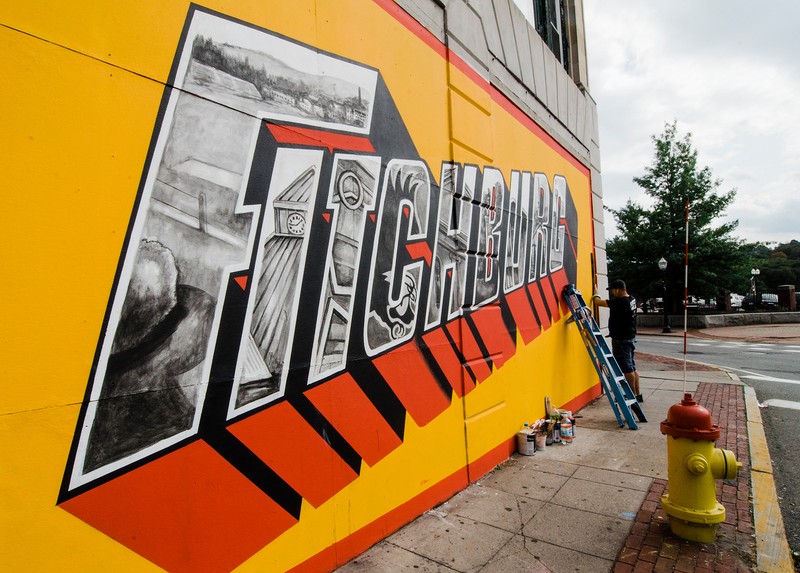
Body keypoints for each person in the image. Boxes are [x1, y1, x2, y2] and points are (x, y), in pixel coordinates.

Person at [592, 279, 642, 402]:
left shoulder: (620, 302)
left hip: (621, 339)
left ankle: (632, 396)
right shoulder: (632, 299)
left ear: (618, 290)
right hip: (630, 336)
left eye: (613, 290)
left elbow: (598, 302)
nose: (612, 293)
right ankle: (638, 394)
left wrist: (595, 293)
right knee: (632, 367)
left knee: (627, 369)